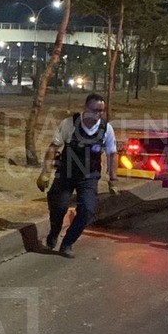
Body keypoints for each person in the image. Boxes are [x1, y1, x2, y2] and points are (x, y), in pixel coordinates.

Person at [35, 94, 119, 258]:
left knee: (87, 210)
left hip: (89, 176)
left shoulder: (106, 129)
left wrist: (113, 180)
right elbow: (53, 148)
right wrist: (45, 173)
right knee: (58, 206)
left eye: (101, 111)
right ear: (86, 109)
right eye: (95, 110)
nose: (98, 114)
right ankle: (54, 231)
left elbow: (112, 154)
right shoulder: (69, 124)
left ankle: (67, 243)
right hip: (66, 173)